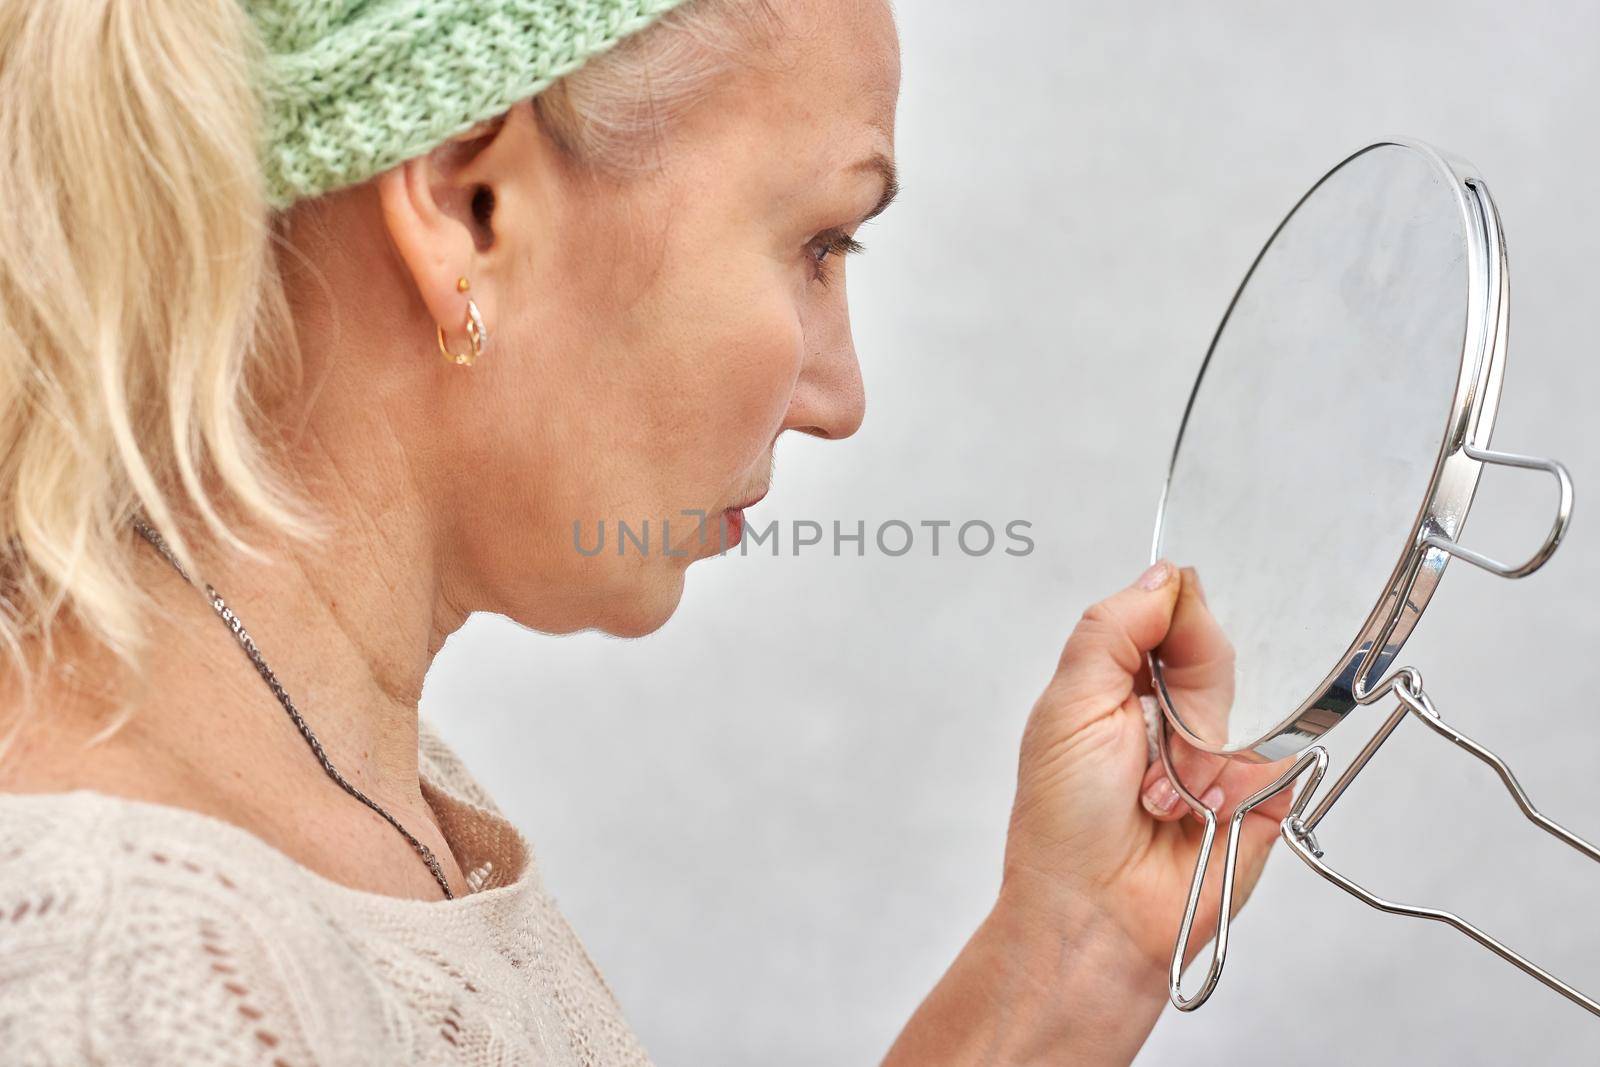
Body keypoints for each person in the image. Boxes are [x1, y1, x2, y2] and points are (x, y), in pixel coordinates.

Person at [0, 1, 1292, 1063]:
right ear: (469, 209)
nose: (841, 400)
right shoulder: (120, 954)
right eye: (817, 241)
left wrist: (1071, 957)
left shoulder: (349, 783)